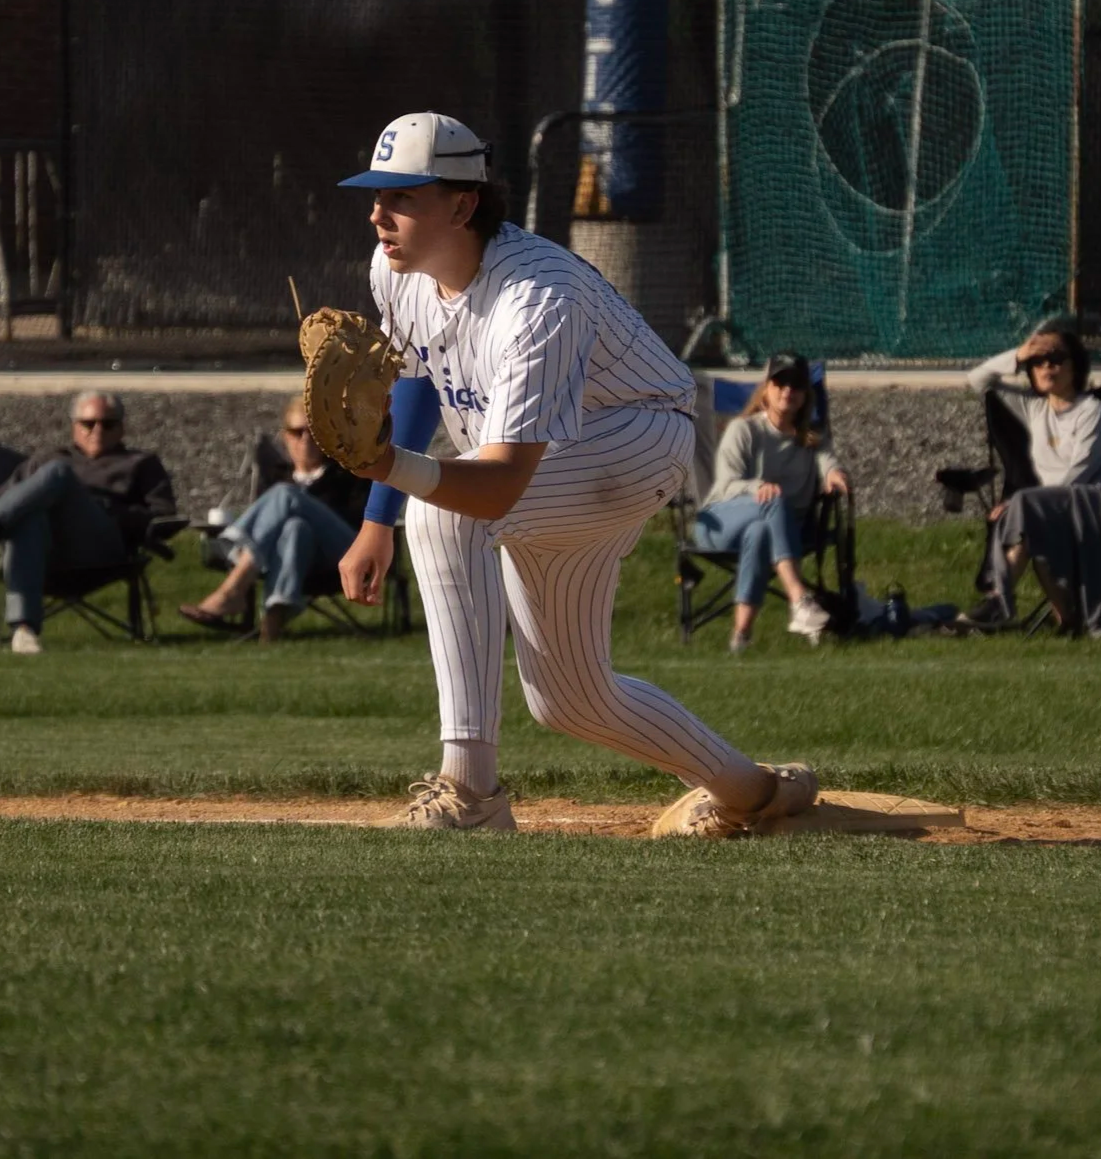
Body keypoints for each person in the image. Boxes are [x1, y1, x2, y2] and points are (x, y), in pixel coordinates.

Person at [331, 109, 822, 838]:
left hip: (635, 434)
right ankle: (757, 792)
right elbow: (416, 385)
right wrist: (375, 519)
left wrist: (393, 470)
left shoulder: (535, 300)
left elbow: (495, 487)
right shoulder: (396, 272)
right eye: (375, 193)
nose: (378, 212)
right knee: (569, 699)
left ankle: (469, 793)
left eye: (401, 195)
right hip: (544, 463)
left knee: (444, 509)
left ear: (463, 203)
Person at [0, 390, 177, 654]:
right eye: (88, 424)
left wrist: (108, 509)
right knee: (30, 518)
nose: (97, 430)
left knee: (59, 473)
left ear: (122, 428)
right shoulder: (48, 458)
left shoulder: (140, 463)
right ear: (74, 428)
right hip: (47, 550)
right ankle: (24, 631)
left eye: (108, 423)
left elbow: (163, 515)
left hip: (102, 546)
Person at [692, 352, 852, 653]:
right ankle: (799, 600)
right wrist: (758, 488)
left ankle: (740, 638)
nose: (788, 391)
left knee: (760, 533)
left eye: (796, 385)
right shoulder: (745, 430)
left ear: (805, 394)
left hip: (776, 529)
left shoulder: (811, 440)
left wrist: (834, 474)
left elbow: (828, 463)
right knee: (773, 501)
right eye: (780, 382)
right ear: (766, 388)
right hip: (719, 522)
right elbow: (725, 486)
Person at [179, 395, 368, 643]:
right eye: (297, 432)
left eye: (314, 432)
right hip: (295, 552)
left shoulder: (347, 470)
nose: (306, 439)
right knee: (295, 528)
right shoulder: (276, 473)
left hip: (346, 551)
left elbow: (360, 517)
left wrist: (307, 507)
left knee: (285, 495)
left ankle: (234, 584)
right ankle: (274, 618)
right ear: (284, 436)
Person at [959, 326, 1101, 629]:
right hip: (1049, 506)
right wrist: (1020, 354)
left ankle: (998, 601)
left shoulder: (1091, 410)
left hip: (1088, 502)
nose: (1047, 366)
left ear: (1075, 366)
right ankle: (1065, 618)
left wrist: (1027, 502)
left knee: (1024, 511)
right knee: (1029, 526)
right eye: (1038, 361)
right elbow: (977, 379)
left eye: (1057, 358)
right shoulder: (1033, 408)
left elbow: (1080, 471)